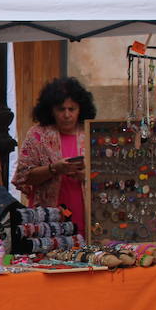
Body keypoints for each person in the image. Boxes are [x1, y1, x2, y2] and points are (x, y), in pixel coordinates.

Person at [12, 77, 96, 235]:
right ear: (51, 110)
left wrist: (86, 176)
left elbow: (109, 178)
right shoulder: (37, 135)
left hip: (87, 218)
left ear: (81, 109)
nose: (66, 115)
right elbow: (24, 176)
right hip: (47, 221)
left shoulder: (91, 134)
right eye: (61, 109)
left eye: (72, 109)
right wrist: (53, 169)